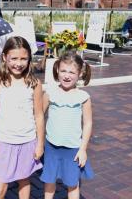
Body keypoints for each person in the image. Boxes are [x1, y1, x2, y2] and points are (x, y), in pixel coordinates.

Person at [0, 37, 44, 199]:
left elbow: (39, 115)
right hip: (4, 141)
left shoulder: (34, 83)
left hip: (28, 141)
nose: (19, 63)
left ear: (29, 59)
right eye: (14, 58)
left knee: (24, 180)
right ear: (5, 57)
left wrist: (40, 144)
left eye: (24, 59)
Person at [40, 50, 94, 199]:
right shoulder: (50, 93)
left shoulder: (83, 97)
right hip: (52, 147)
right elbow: (39, 117)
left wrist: (83, 149)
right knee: (49, 182)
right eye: (63, 70)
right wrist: (38, 142)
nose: (66, 75)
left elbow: (88, 123)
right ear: (57, 70)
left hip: (73, 149)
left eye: (71, 72)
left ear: (80, 74)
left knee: (72, 184)